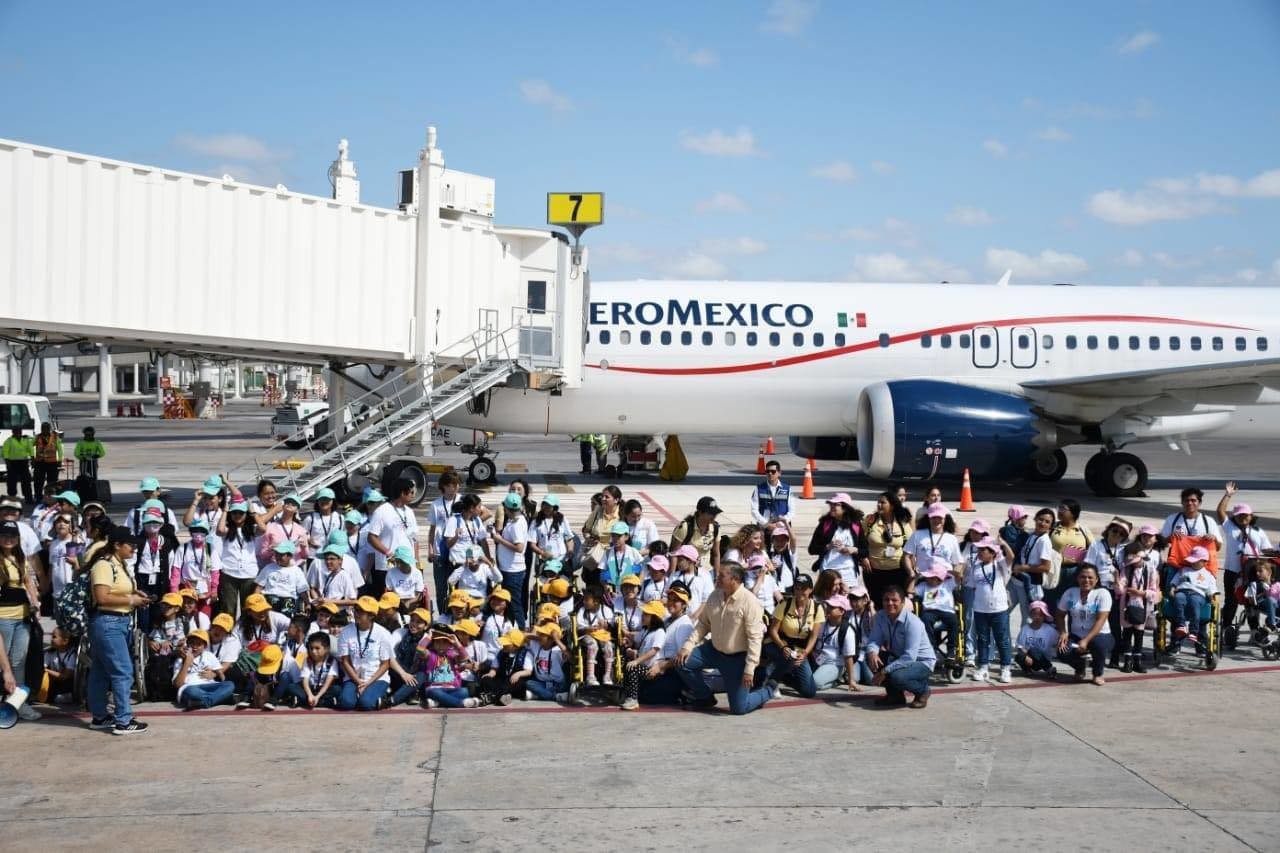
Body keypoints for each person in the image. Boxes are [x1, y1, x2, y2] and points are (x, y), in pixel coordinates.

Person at [676, 561, 773, 715]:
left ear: (734, 579)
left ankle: (768, 690)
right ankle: (705, 697)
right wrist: (687, 646)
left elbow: (755, 639)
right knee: (682, 662)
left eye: (722, 575)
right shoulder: (715, 595)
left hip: (737, 659)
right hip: (713, 650)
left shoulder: (750, 602)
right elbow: (703, 624)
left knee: (739, 709)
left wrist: (749, 669)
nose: (717, 578)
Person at [86, 526, 150, 733]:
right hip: (109, 622)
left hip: (114, 622)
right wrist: (131, 599)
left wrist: (134, 593)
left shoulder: (118, 564)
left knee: (101, 671)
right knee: (123, 671)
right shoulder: (104, 566)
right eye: (130, 545)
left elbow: (115, 590)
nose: (134, 549)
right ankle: (124, 720)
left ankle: (100, 717)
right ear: (117, 545)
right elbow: (102, 597)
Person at [864, 585, 936, 708]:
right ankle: (895, 696)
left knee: (897, 677)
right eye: (886, 600)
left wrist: (885, 671)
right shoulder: (880, 616)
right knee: (870, 657)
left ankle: (923, 690)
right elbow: (874, 640)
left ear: (902, 603)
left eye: (894, 600)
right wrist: (872, 652)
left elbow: (909, 657)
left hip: (921, 662)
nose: (890, 603)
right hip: (898, 657)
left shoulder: (913, 622)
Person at [1216, 483, 1273, 632]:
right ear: (1235, 516)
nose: (1243, 517)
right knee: (1231, 602)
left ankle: (1254, 630)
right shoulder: (1229, 527)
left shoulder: (1257, 531)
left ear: (1251, 516)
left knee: (1252, 601)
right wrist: (1228, 495)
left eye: (1246, 515)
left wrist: (1274, 553)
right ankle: (1226, 628)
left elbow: (1266, 549)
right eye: (1240, 515)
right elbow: (1220, 511)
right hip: (1233, 571)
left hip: (1252, 571)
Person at [0, 520, 40, 720]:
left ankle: (19, 704)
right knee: (3, 661)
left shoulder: (19, 557)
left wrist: (35, 602)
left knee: (19, 661)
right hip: (3, 618)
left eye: (12, 536)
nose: (8, 540)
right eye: (4, 535)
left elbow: (28, 581)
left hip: (22, 616)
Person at [1083, 517, 1132, 667]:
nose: (1116, 534)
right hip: (1099, 588)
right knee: (1095, 620)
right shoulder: (1097, 546)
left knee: (1115, 624)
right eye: (1114, 530)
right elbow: (1089, 566)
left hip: (1116, 591)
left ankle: (1115, 657)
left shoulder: (1124, 549)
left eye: (1121, 534)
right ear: (1108, 530)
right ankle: (1093, 654)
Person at [764, 574, 820, 698]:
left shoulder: (817, 608)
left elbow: (813, 637)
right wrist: (783, 647)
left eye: (803, 589)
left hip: (799, 650)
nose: (799, 592)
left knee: (809, 692)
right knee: (788, 656)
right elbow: (773, 631)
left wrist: (805, 654)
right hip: (778, 643)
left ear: (810, 590)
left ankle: (782, 675)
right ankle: (771, 683)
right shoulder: (784, 604)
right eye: (797, 588)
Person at [1056, 565, 1113, 685]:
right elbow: (1060, 614)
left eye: (1090, 577)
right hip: (1077, 634)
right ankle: (1080, 666)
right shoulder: (1070, 592)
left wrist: (1086, 640)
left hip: (1099, 634)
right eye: (1082, 577)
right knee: (1062, 650)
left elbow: (1101, 620)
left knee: (1099, 645)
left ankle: (1097, 673)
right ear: (1077, 578)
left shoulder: (1102, 593)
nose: (1086, 580)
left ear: (1097, 579)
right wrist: (1063, 632)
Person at [337, 595, 393, 710]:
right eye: (356, 610)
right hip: (353, 677)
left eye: (361, 612)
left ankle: (382, 695)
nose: (357, 614)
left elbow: (386, 664)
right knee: (346, 703)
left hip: (376, 678)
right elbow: (345, 661)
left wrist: (367, 683)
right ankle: (363, 695)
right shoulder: (346, 631)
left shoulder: (383, 633)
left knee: (366, 704)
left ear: (371, 615)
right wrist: (358, 682)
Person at [365, 479, 419, 597]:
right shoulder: (382, 511)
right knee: (387, 601)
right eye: (411, 492)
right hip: (387, 566)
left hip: (407, 564)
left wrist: (417, 562)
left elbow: (415, 538)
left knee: (407, 599)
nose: (413, 495)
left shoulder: (409, 512)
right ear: (402, 493)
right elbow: (371, 537)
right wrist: (388, 553)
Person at [861, 491, 912, 605]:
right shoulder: (870, 520)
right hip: (873, 572)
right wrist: (863, 558)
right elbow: (859, 541)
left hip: (897, 572)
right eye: (878, 502)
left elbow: (911, 544)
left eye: (883, 502)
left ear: (892, 505)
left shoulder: (901, 522)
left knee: (894, 603)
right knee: (877, 602)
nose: (879, 505)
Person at [1115, 546, 1161, 673]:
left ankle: (1137, 661)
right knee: (1127, 634)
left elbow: (1155, 592)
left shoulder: (1152, 571)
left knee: (1139, 635)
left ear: (1142, 559)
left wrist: (1141, 593)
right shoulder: (1126, 570)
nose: (1133, 565)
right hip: (1127, 607)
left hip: (1143, 607)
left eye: (1136, 562)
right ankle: (1127, 661)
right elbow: (1120, 588)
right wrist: (1116, 580)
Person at [1161, 487, 1223, 576]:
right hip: (1177, 566)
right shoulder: (1172, 519)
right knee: (1172, 589)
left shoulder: (1208, 521)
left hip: (1201, 568)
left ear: (1199, 503)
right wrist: (1171, 537)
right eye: (1186, 500)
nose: (1190, 503)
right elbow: (1161, 542)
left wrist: (1214, 539)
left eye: (1193, 500)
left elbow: (1218, 547)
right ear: (1182, 502)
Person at [1167, 546, 1217, 649]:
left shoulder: (1208, 575)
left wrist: (1211, 597)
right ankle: (1181, 625)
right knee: (1178, 598)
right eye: (1192, 560)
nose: (1193, 563)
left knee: (1195, 602)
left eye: (1196, 561)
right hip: (1182, 591)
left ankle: (1193, 632)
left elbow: (1211, 589)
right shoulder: (1183, 570)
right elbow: (1175, 581)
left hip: (1198, 594)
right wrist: (1172, 589)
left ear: (1204, 561)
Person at [216, 500, 259, 619]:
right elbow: (219, 530)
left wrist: (253, 512)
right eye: (234, 512)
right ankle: (228, 633)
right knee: (228, 608)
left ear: (246, 514)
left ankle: (247, 634)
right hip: (229, 573)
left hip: (249, 574)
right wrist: (225, 510)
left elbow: (263, 528)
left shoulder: (252, 529)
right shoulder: (228, 529)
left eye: (241, 512)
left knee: (249, 608)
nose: (237, 515)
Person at [417, 629, 481, 708]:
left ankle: (437, 703)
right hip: (434, 688)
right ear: (433, 644)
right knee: (435, 692)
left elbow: (465, 657)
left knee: (464, 691)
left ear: (449, 644)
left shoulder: (451, 654)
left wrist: (456, 643)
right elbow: (420, 649)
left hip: (451, 688)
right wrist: (429, 637)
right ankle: (461, 703)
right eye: (438, 642)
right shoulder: (431, 654)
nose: (441, 645)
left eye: (444, 642)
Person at [1047, 499, 1092, 611]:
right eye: (1059, 508)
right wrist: (1073, 554)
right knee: (1052, 604)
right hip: (1055, 570)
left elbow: (1093, 552)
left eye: (1063, 509)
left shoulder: (1083, 530)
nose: (1059, 511)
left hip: (1075, 572)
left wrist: (1069, 554)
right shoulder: (1053, 527)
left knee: (1074, 606)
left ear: (1073, 513)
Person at [172, 629, 235, 710]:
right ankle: (219, 698)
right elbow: (178, 685)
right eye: (192, 643)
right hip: (190, 687)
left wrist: (214, 672)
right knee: (192, 692)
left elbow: (222, 678)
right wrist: (186, 663)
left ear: (204, 647)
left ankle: (204, 702)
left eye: (198, 644)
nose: (194, 647)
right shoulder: (180, 659)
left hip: (209, 685)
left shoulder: (209, 655)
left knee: (229, 684)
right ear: (187, 644)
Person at [427, 472, 461, 611]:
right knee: (441, 588)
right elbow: (432, 529)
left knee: (457, 588)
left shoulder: (462, 501)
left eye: (456, 484)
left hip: (458, 549)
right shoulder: (436, 505)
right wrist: (430, 549)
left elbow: (482, 513)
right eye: (450, 485)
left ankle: (457, 614)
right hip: (440, 550)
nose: (453, 488)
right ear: (443, 487)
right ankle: (442, 615)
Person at [811, 594, 859, 691]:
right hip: (817, 660)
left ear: (841, 611)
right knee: (800, 678)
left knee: (814, 683)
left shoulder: (847, 630)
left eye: (832, 607)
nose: (827, 608)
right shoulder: (822, 623)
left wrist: (851, 680)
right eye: (827, 606)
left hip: (834, 664)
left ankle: (837, 681)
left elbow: (848, 657)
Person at [284, 632, 341, 709]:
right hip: (310, 689)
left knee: (337, 689)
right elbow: (305, 680)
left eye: (317, 648)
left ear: (327, 649)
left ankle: (309, 701)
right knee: (292, 687)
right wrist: (310, 695)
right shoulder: (307, 660)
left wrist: (317, 696)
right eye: (311, 648)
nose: (313, 651)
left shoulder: (331, 661)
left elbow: (328, 683)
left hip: (323, 689)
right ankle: (322, 702)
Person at [668, 496, 722, 572]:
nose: (714, 516)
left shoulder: (716, 528)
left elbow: (716, 554)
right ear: (700, 512)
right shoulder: (685, 527)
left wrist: (717, 575)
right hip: (687, 571)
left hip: (707, 571)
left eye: (715, 513)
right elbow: (673, 553)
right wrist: (672, 576)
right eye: (710, 513)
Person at [1014, 601, 1059, 678]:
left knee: (1034, 650)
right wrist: (1025, 655)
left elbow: (1058, 641)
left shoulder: (1049, 630)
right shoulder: (1025, 629)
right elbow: (1020, 646)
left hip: (1043, 658)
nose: (1037, 617)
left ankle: (1049, 668)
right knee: (1018, 656)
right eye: (1035, 614)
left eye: (1040, 615)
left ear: (1044, 616)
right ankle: (1027, 669)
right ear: (1031, 615)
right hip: (1030, 660)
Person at [749, 459, 794, 527]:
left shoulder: (787, 489)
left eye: (773, 471)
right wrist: (766, 524)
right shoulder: (758, 489)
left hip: (782, 527)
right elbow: (754, 511)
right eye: (767, 471)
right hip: (764, 526)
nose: (770, 473)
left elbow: (792, 511)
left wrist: (781, 523)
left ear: (779, 473)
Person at [2, 427, 34, 504]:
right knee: (11, 482)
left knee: (26, 481)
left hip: (23, 463)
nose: (18, 433)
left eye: (19, 432)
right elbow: (5, 452)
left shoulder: (25, 440)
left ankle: (28, 498)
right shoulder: (9, 441)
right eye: (16, 432)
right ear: (13, 432)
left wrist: (32, 459)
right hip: (12, 463)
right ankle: (12, 498)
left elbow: (31, 450)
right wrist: (7, 463)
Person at [31, 423, 62, 499]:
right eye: (43, 428)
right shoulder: (37, 437)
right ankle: (38, 497)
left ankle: (51, 497)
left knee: (52, 482)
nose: (44, 430)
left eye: (46, 428)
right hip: (40, 462)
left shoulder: (55, 437)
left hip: (52, 463)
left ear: (49, 429)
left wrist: (60, 460)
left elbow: (60, 449)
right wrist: (32, 458)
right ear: (41, 429)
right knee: (38, 482)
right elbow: (30, 446)